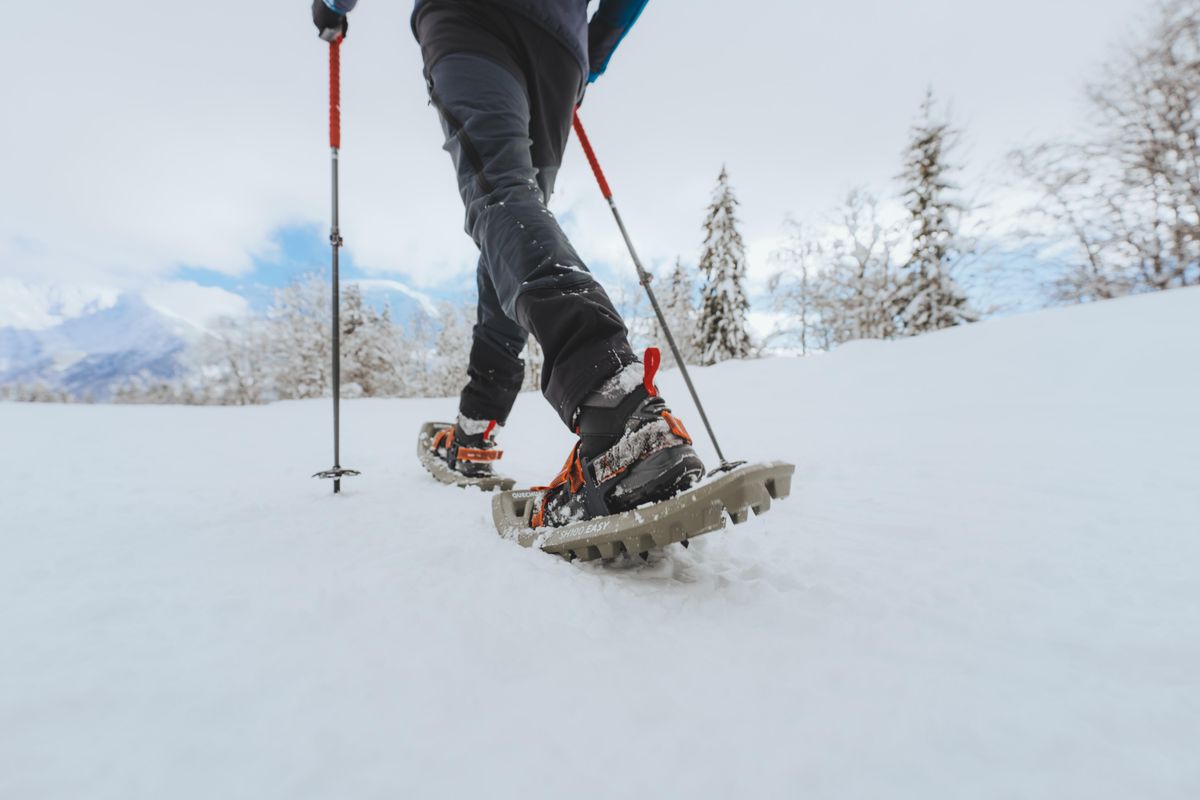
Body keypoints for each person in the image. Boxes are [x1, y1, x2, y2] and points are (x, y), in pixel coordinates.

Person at [312, 0, 704, 527]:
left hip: (471, 19)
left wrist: (333, 6)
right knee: (512, 216)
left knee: (501, 195)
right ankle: (477, 424)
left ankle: (616, 408)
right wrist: (591, 52)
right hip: (559, 52)